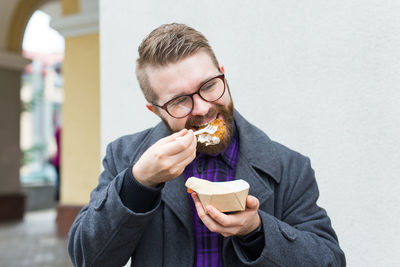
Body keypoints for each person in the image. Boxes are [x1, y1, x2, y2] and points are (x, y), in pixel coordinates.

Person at [68, 23, 346, 266]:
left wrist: (256, 230)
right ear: (156, 111)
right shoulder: (125, 157)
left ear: (223, 75)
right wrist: (139, 182)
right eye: (179, 101)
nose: (202, 108)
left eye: (210, 85)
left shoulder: (290, 167)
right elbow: (87, 259)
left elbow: (329, 260)